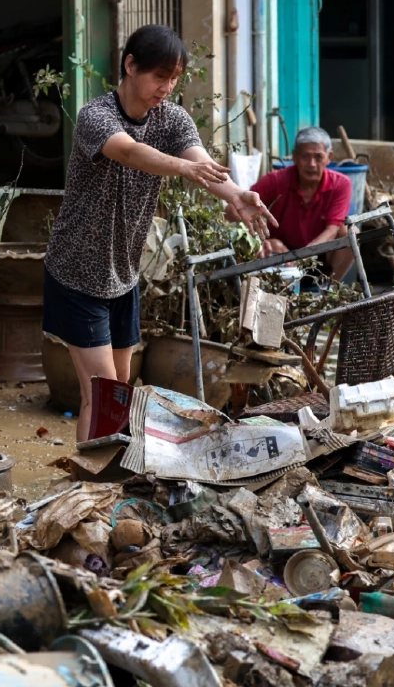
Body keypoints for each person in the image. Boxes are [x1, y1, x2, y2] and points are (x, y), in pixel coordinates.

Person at [43, 24, 276, 444]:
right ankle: (89, 487)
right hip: (77, 272)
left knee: (120, 392)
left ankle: (103, 479)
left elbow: (200, 162)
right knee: (102, 395)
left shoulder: (171, 118)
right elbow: (130, 152)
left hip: (123, 275)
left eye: (174, 79)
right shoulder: (96, 116)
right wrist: (183, 168)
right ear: (130, 66)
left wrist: (238, 194)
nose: (167, 87)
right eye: (159, 76)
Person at [232, 127, 355, 279]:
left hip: (321, 257)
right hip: (281, 256)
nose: (312, 164)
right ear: (295, 157)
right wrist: (259, 240)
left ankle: (329, 291)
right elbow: (235, 211)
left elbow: (332, 230)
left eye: (318, 157)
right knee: (268, 247)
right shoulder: (275, 181)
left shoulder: (341, 184)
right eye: (305, 157)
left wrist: (301, 257)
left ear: (329, 157)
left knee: (351, 233)